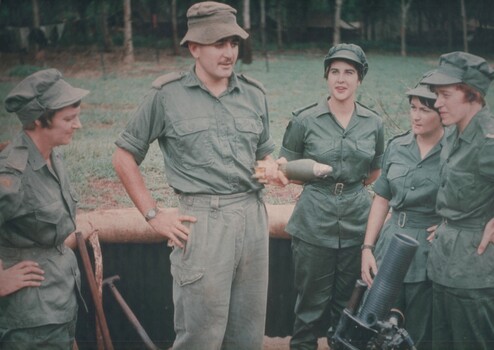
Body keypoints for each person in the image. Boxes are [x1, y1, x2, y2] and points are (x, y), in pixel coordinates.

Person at [112, 2, 276, 349]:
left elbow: (263, 153)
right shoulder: (167, 95)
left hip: (252, 219)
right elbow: (124, 155)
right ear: (194, 48)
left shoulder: (254, 94)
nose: (229, 52)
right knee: (199, 337)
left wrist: (274, 167)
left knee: (247, 335)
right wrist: (153, 214)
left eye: (233, 43)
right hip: (202, 223)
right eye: (219, 43)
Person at [275, 43, 384, 349]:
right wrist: (315, 178)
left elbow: (375, 171)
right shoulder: (305, 120)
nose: (341, 79)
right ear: (326, 76)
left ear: (359, 79)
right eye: (334, 71)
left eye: (349, 72)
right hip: (313, 222)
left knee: (347, 307)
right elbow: (286, 169)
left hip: (356, 221)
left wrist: (348, 189)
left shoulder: (373, 123)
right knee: (309, 308)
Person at [0, 68, 89, 349]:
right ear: (38, 121)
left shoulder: (53, 156)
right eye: (68, 119)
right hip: (30, 320)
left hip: (59, 301)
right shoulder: (12, 172)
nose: (78, 125)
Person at [360, 73, 445, 349]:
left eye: (425, 109)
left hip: (429, 251)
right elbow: (382, 199)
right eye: (413, 108)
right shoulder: (397, 146)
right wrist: (367, 248)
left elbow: (471, 199)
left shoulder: (453, 152)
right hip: (391, 244)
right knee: (377, 326)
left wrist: (449, 223)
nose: (416, 116)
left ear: (441, 113)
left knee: (419, 334)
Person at [420, 51, 494, 349]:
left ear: (472, 95)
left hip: (475, 271)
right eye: (437, 95)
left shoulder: (488, 141)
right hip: (444, 262)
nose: (437, 103)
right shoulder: (452, 135)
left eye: (445, 95)